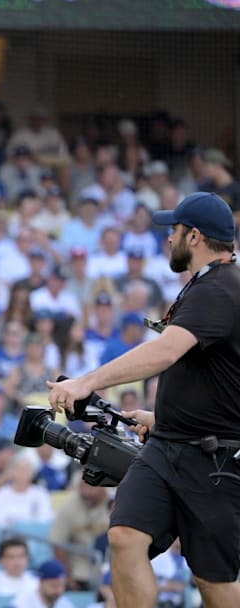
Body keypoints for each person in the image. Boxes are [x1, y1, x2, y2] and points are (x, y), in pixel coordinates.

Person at [47, 191, 240, 607]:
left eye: (173, 230)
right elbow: (205, 374)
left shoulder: (221, 288)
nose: (167, 239)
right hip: (168, 445)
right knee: (123, 536)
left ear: (195, 237)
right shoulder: (204, 286)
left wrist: (86, 382)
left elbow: (164, 353)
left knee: (214, 585)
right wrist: (163, 418)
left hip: (213, 461)